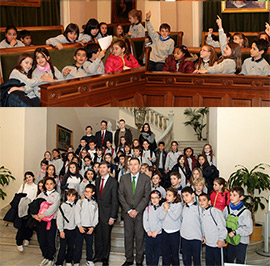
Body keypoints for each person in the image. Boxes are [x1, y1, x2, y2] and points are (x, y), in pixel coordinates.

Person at [118, 158, 151, 266]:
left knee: (140, 237)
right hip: (127, 213)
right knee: (128, 236)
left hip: (140, 213)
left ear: (139, 165)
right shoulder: (123, 178)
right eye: (131, 164)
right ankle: (129, 259)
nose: (133, 166)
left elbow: (146, 197)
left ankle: (139, 260)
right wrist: (128, 210)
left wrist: (137, 210)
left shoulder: (146, 179)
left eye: (135, 164)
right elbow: (121, 195)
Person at [94, 162, 118, 266]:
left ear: (108, 169)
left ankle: (105, 257)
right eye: (100, 167)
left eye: (104, 167)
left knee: (106, 237)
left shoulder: (113, 182)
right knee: (97, 236)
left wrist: (113, 216)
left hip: (107, 215)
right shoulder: (97, 180)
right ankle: (97, 255)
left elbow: (115, 201)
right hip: (97, 214)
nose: (102, 169)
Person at [34, 177, 61, 266]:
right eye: (47, 184)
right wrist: (34, 215)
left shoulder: (57, 195)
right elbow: (35, 205)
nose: (49, 186)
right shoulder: (41, 194)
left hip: (51, 221)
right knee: (42, 240)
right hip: (41, 221)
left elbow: (54, 207)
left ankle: (51, 258)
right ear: (44, 185)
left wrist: (44, 214)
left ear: (54, 185)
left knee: (51, 240)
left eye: (51, 184)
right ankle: (45, 256)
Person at [223, 186, 253, 264]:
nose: (231, 197)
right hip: (230, 240)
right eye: (230, 195)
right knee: (228, 260)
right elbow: (223, 222)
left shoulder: (246, 212)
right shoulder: (227, 209)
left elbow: (249, 229)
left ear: (241, 197)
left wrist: (236, 232)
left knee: (240, 261)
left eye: (234, 195)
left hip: (241, 241)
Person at [199, 193, 227, 266]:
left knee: (219, 263)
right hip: (209, 244)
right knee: (209, 263)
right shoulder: (203, 212)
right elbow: (205, 226)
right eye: (200, 200)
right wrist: (204, 236)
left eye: (204, 200)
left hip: (217, 244)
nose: (201, 202)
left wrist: (221, 239)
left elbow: (222, 226)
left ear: (209, 202)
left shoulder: (215, 211)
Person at [74, 184, 99, 266]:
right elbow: (77, 214)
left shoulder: (94, 204)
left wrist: (93, 227)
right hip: (80, 227)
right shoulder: (80, 202)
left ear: (93, 193)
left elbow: (96, 216)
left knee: (89, 246)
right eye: (85, 191)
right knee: (78, 245)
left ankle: (89, 259)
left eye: (89, 192)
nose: (87, 193)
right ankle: (76, 261)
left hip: (90, 228)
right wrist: (79, 225)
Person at [158, 187, 182, 266]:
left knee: (174, 254)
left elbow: (175, 217)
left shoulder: (178, 205)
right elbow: (160, 217)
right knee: (165, 253)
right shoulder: (164, 204)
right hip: (165, 231)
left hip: (174, 232)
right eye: (167, 195)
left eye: (170, 195)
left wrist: (168, 209)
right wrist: (165, 209)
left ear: (175, 197)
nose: (167, 197)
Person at [55, 189, 78, 266]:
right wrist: (61, 230)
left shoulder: (76, 206)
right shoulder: (63, 206)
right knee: (62, 247)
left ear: (75, 197)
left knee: (71, 247)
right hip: (65, 230)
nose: (70, 197)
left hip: (73, 229)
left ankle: (68, 260)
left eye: (73, 196)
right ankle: (59, 262)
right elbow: (60, 219)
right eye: (69, 195)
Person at [16, 171, 38, 252]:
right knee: (22, 225)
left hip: (31, 208)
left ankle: (27, 238)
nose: (28, 179)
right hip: (23, 208)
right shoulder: (23, 186)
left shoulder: (36, 187)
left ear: (33, 177)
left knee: (30, 225)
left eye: (30, 177)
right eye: (27, 177)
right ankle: (19, 242)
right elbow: (18, 195)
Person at [181, 186, 202, 266]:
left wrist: (203, 235)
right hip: (185, 237)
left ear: (193, 195)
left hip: (196, 237)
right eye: (183, 196)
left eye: (187, 195)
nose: (185, 198)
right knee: (186, 259)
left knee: (197, 259)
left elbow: (202, 222)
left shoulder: (198, 208)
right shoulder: (183, 207)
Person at [143, 190, 163, 266]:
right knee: (148, 252)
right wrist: (148, 230)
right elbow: (145, 220)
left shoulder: (162, 209)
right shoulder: (147, 209)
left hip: (158, 234)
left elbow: (162, 221)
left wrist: (157, 231)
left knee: (157, 253)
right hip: (149, 234)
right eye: (152, 198)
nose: (154, 200)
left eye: (156, 198)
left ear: (160, 198)